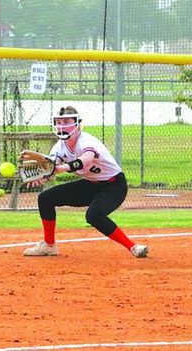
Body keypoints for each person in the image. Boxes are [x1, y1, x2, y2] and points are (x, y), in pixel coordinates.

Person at [22, 106, 149, 258]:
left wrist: (59, 169)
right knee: (45, 198)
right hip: (91, 184)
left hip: (114, 185)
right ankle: (49, 246)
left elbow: (85, 161)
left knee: (94, 215)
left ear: (77, 123)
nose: (62, 126)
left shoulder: (87, 141)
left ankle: (133, 247)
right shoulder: (59, 147)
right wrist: (43, 176)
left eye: (67, 121)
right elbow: (52, 167)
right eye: (59, 122)